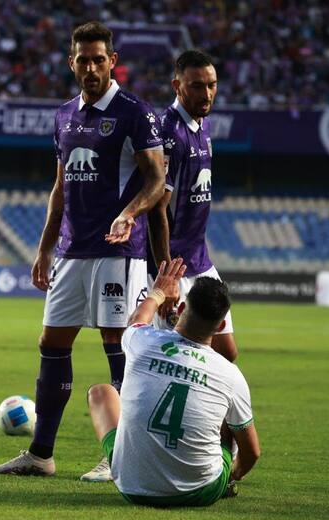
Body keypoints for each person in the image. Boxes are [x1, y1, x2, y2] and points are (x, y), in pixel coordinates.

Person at [0, 21, 166, 480]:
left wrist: (130, 213)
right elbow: (60, 187)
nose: (90, 67)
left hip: (117, 251)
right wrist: (45, 249)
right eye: (82, 59)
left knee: (116, 344)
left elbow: (156, 179)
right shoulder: (64, 114)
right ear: (71, 63)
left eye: (98, 59)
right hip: (71, 251)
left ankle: (119, 455)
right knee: (52, 342)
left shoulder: (133, 112)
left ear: (112, 62)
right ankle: (41, 454)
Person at [86, 258, 260, 506]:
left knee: (100, 392)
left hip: (133, 486)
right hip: (201, 490)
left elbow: (136, 321)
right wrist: (233, 473)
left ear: (180, 310)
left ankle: (122, 463)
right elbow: (252, 452)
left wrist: (158, 292)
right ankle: (224, 480)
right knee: (230, 416)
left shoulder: (142, 341)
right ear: (221, 325)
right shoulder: (230, 374)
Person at [148, 50, 238, 362]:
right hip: (175, 266)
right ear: (177, 85)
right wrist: (166, 277)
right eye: (197, 86)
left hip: (200, 260)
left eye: (212, 85)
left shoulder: (204, 125)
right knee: (177, 357)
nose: (207, 93)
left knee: (226, 352)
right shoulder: (169, 133)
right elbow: (157, 208)